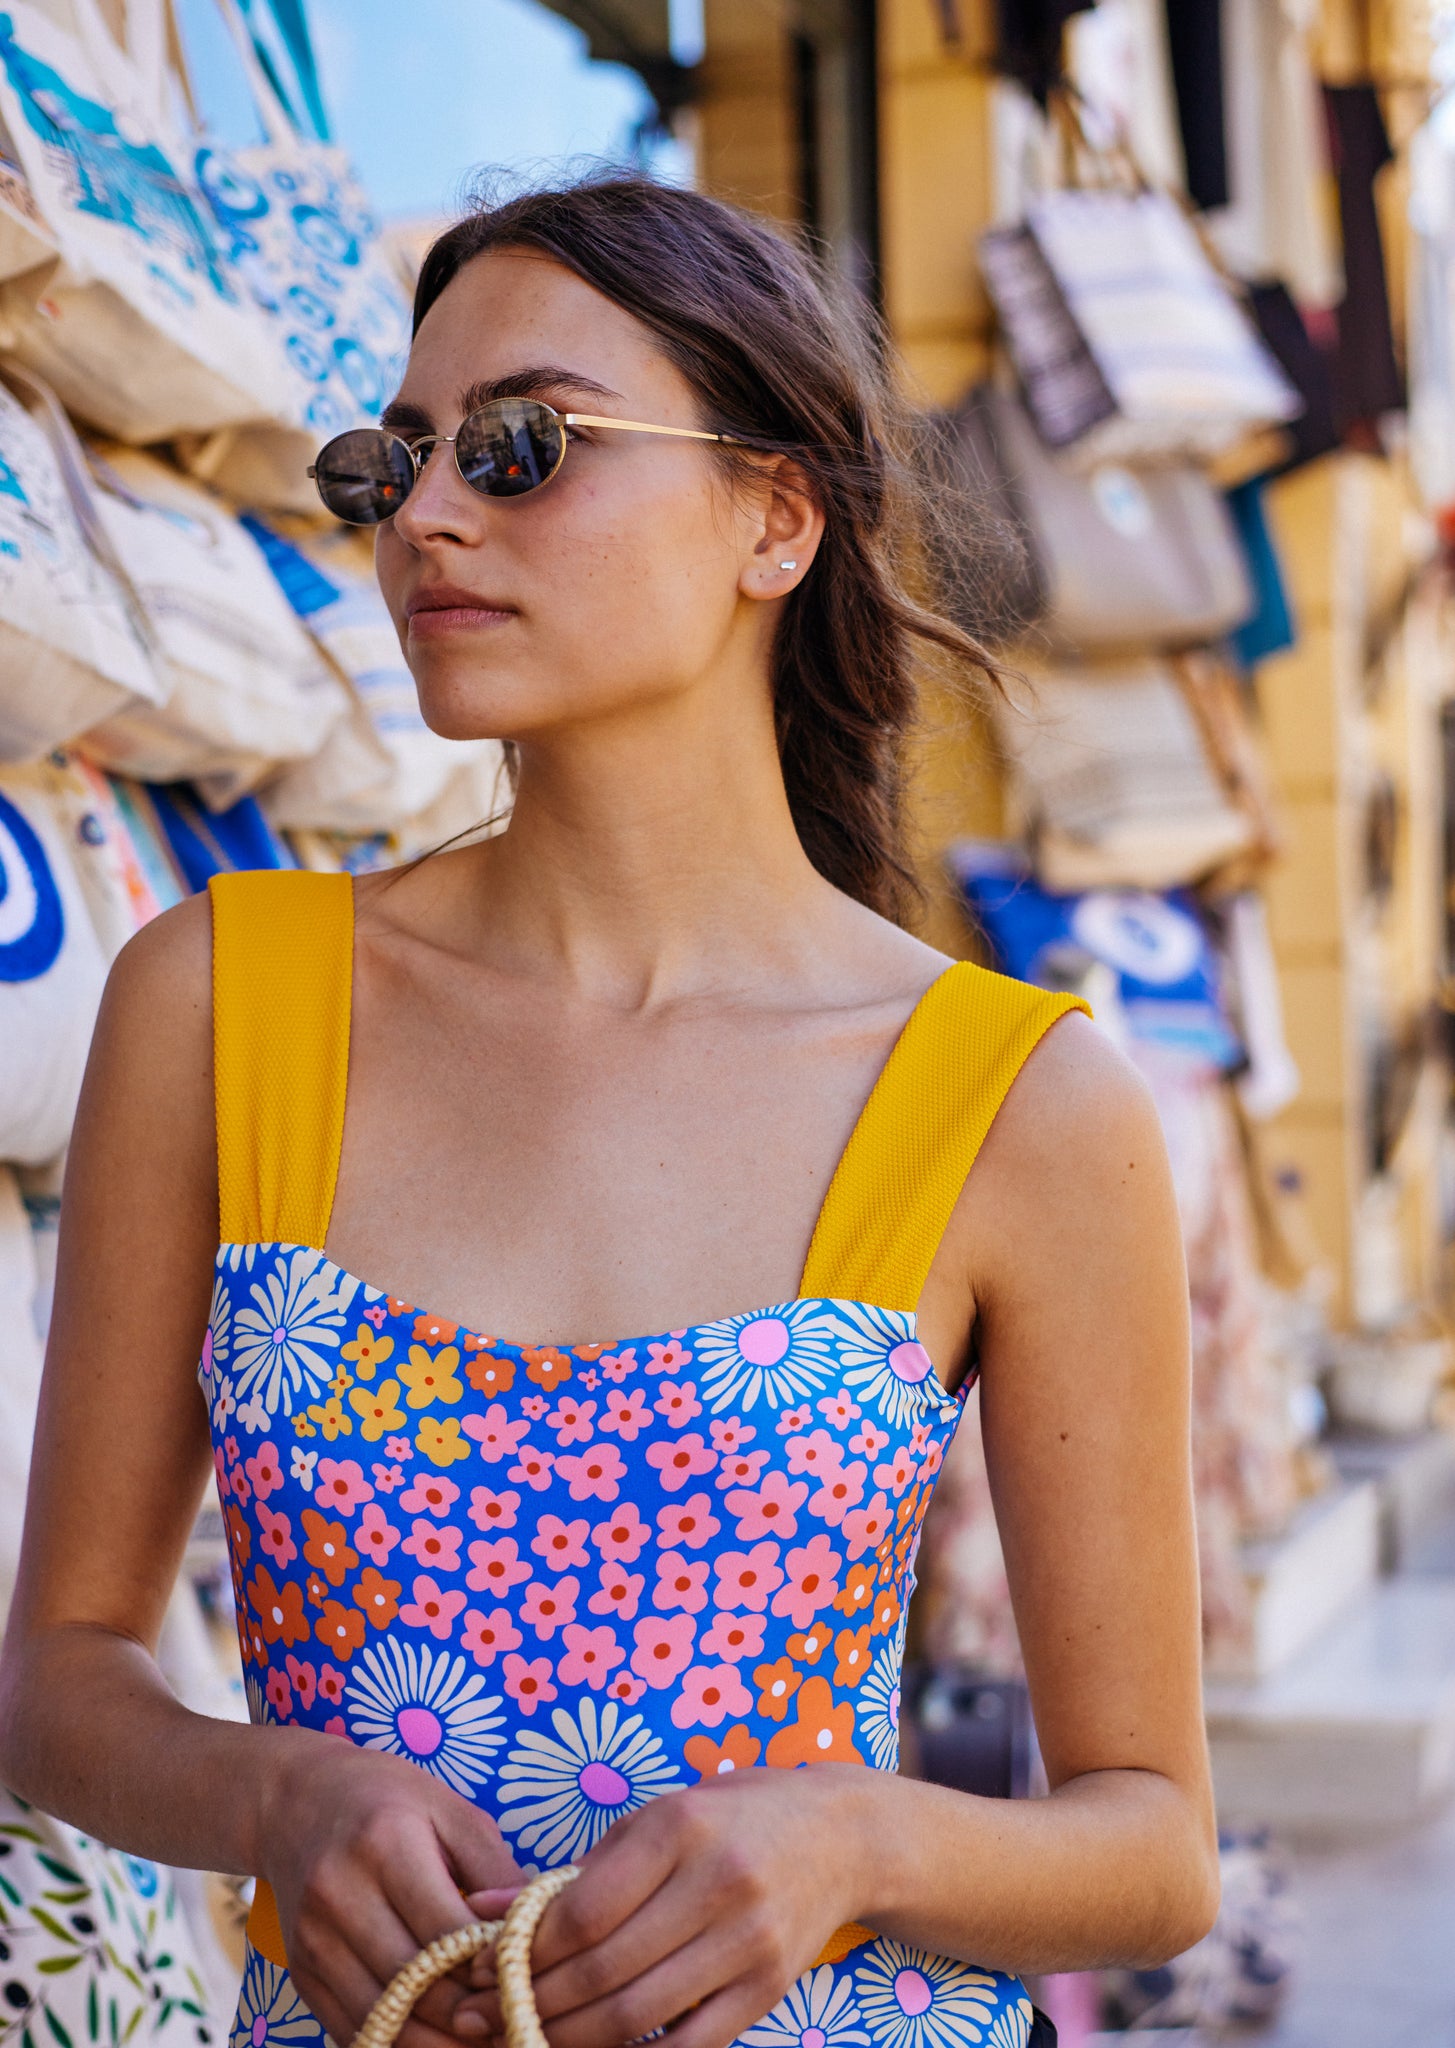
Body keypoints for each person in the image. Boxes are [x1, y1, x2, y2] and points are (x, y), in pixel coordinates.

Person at [0, 174, 1218, 2048]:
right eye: (390, 460)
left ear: (775, 516)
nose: (425, 517)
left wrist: (848, 1839)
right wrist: (269, 1794)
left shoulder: (1011, 1101)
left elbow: (1151, 1845)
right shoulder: (221, 1000)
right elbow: (61, 1678)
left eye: (522, 447)